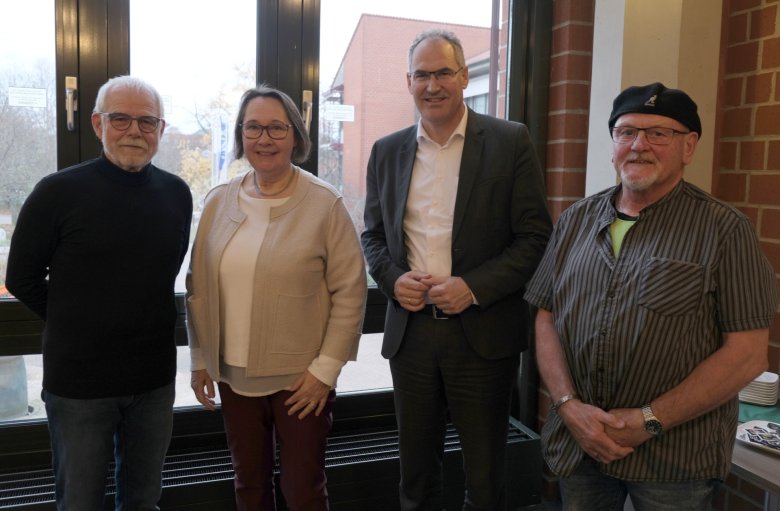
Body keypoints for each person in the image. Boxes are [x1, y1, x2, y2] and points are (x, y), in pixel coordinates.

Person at [524, 82, 780, 510]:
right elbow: (546, 316)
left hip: (674, 463)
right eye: (626, 132)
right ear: (613, 145)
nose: (639, 145)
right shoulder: (575, 221)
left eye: (659, 133)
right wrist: (569, 407)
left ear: (688, 146)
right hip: (581, 445)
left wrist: (648, 420)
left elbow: (748, 355)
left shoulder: (724, 231)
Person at [361, 29, 552, 510]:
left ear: (465, 77)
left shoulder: (510, 141)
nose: (433, 85)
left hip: (483, 335)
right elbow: (373, 237)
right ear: (408, 82)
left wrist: (473, 287)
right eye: (422, 75)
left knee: (485, 480)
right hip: (413, 337)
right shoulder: (387, 150)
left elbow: (535, 237)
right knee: (416, 477)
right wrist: (392, 279)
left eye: (443, 72)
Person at [6, 75, 193, 510]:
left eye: (147, 121)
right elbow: (22, 277)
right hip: (79, 385)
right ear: (97, 124)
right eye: (120, 118)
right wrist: (79, 320)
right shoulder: (57, 192)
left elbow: (161, 273)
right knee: (80, 502)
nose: (135, 130)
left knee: (144, 500)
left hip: (153, 380)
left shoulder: (177, 194)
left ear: (162, 130)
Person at [186, 85, 367, 511]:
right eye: (253, 128)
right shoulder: (217, 202)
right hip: (234, 377)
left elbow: (351, 290)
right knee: (248, 486)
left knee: (303, 492)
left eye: (275, 128)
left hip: (301, 382)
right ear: (240, 134)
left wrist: (326, 370)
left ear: (295, 137)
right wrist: (200, 359)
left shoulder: (325, 205)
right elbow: (198, 287)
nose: (264, 139)